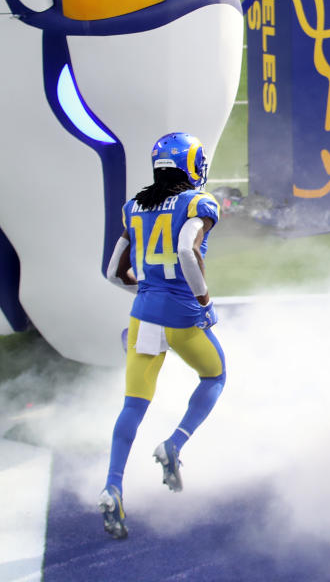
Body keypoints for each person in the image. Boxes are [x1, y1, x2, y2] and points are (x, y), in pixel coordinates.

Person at [98, 133, 225, 539]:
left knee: (133, 405)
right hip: (182, 314)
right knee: (215, 376)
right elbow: (187, 251)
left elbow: (114, 270)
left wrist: (147, 288)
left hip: (143, 316)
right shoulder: (197, 203)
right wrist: (203, 301)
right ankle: (173, 444)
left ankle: (112, 486)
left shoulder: (134, 206)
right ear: (191, 164)